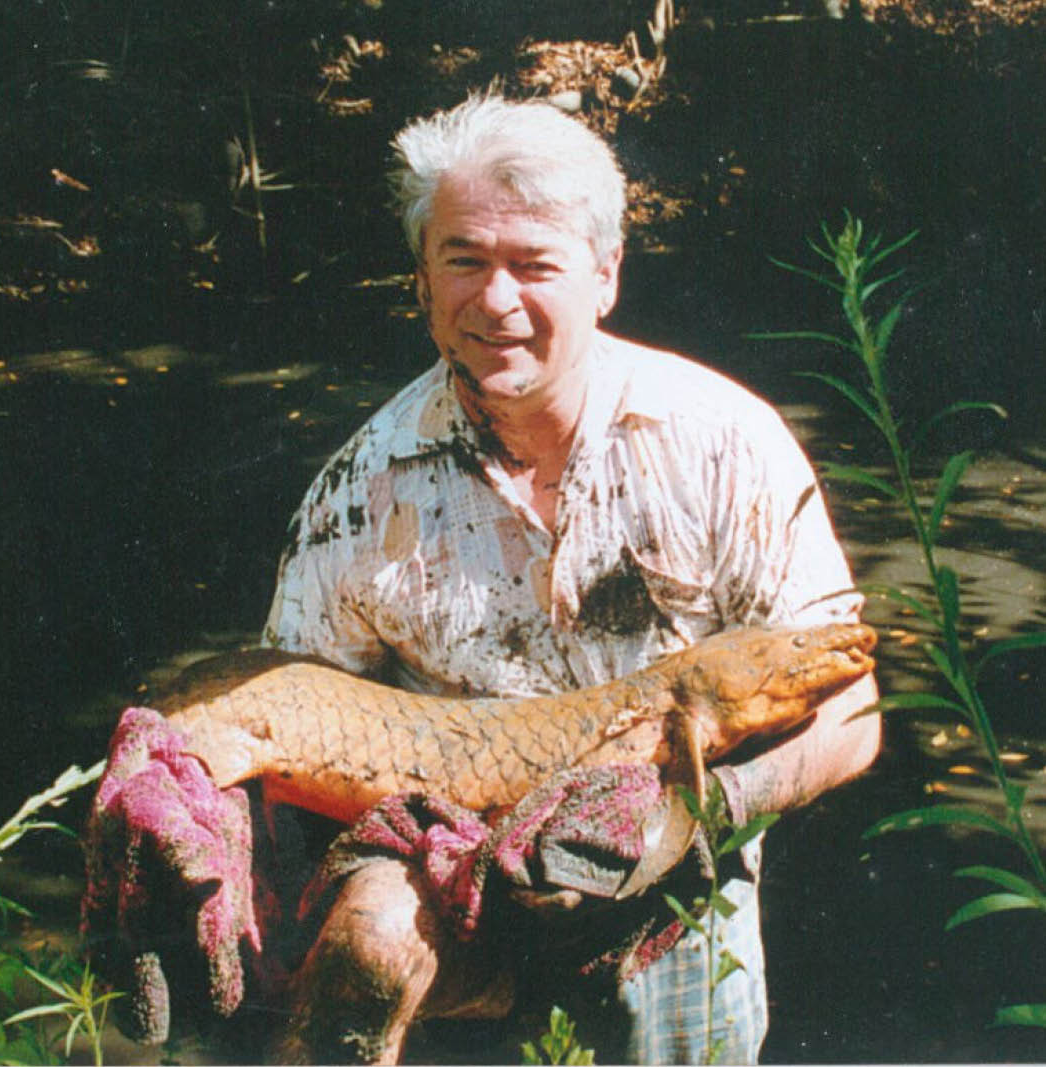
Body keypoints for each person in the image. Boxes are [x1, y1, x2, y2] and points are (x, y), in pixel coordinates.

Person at [261, 92, 880, 1064]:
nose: (494, 300)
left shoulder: (721, 443)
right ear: (421, 279)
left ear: (603, 276)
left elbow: (853, 706)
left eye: (533, 265)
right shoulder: (356, 487)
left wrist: (709, 806)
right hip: (453, 923)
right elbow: (288, 715)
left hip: (677, 908)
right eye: (462, 258)